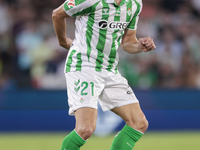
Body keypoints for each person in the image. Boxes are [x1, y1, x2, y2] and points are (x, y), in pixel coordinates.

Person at [52, 0, 156, 149]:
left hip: (109, 69)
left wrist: (140, 46)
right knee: (85, 129)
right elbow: (57, 14)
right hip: (84, 66)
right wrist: (63, 42)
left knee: (138, 123)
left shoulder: (134, 3)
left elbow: (127, 41)